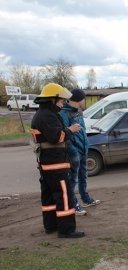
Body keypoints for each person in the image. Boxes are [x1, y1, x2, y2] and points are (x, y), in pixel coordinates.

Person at [30, 83, 84, 238]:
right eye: (60, 101)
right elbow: (56, 137)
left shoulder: (41, 114)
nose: (62, 104)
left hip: (47, 164)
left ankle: (51, 225)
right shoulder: (48, 116)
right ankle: (67, 229)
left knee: (48, 197)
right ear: (52, 100)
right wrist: (70, 130)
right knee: (63, 195)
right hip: (55, 165)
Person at [59, 89, 100, 216]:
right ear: (79, 99)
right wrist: (73, 151)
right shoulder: (64, 114)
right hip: (74, 152)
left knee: (83, 176)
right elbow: (65, 135)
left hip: (83, 149)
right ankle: (74, 204)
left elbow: (82, 130)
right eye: (84, 98)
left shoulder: (79, 111)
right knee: (72, 180)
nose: (84, 100)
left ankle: (85, 199)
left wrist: (86, 145)